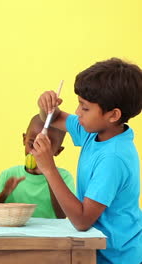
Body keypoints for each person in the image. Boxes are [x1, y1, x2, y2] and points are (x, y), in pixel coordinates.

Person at [33, 58, 142, 263]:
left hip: (117, 257)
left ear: (113, 115)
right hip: (96, 250)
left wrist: (49, 168)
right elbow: (54, 118)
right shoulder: (96, 132)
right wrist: (45, 106)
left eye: (84, 107)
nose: (77, 113)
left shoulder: (113, 158)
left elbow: (82, 220)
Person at [0, 114, 74, 219]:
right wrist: (5, 193)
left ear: (58, 151)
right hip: (14, 233)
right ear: (24, 139)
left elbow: (62, 215)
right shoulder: (9, 174)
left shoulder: (64, 177)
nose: (35, 152)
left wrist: (49, 171)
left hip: (48, 234)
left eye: (45, 149)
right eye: (32, 145)